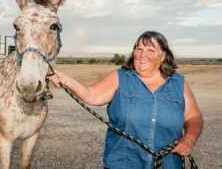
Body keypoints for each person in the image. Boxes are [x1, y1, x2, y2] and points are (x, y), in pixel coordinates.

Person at [50, 31, 203, 169]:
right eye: (139, 49)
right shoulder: (119, 77)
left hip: (169, 164)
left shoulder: (178, 83)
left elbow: (194, 117)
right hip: (124, 164)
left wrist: (189, 139)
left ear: (163, 56)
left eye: (150, 50)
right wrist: (66, 80)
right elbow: (91, 95)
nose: (143, 55)